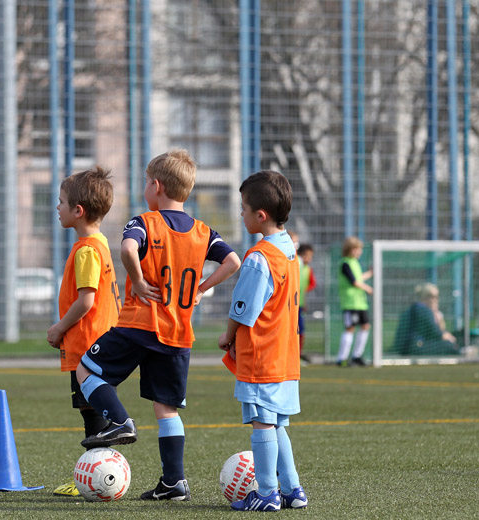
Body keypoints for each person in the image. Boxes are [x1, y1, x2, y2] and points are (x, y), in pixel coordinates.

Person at [75, 149, 241, 501]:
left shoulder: (143, 222)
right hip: (179, 333)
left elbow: (128, 249)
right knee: (166, 408)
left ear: (156, 185)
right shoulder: (202, 232)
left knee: (86, 370)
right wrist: (201, 289)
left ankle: (118, 420)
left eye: (145, 182)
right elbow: (233, 260)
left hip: (141, 323)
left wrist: (136, 279)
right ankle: (174, 482)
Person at [218, 170, 307, 511]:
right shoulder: (289, 251)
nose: (240, 214)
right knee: (278, 422)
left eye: (242, 208)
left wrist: (227, 336)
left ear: (260, 215)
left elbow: (243, 310)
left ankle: (267, 493)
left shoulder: (259, 258)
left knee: (262, 422)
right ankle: (292, 489)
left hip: (262, 355)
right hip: (286, 355)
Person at [46, 167, 121, 497]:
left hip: (89, 344)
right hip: (99, 343)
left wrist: (59, 327)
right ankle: (98, 475)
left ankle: (97, 477)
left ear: (78, 211)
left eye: (60, 202)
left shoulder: (88, 249)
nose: (57, 207)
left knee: (94, 416)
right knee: (91, 411)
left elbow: (87, 300)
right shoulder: (99, 243)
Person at [392, 283, 459, 356]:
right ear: (423, 297)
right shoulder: (423, 310)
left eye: (437, 297)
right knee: (451, 345)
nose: (435, 300)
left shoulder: (415, 308)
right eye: (431, 296)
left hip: (406, 348)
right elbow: (437, 334)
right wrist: (450, 338)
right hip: (415, 348)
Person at [336, 236, 373, 366]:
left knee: (365, 326)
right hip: (350, 302)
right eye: (356, 249)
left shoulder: (355, 263)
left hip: (360, 303)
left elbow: (359, 278)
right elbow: (354, 281)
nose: (358, 252)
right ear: (349, 250)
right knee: (350, 328)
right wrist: (368, 289)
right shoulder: (345, 263)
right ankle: (342, 358)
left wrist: (369, 273)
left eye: (359, 249)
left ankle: (357, 356)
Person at [297, 243, 316, 363]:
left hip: (299, 304)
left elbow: (312, 283)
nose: (309, 259)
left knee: (300, 330)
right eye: (307, 256)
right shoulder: (296, 265)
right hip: (290, 304)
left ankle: (298, 354)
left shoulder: (307, 269)